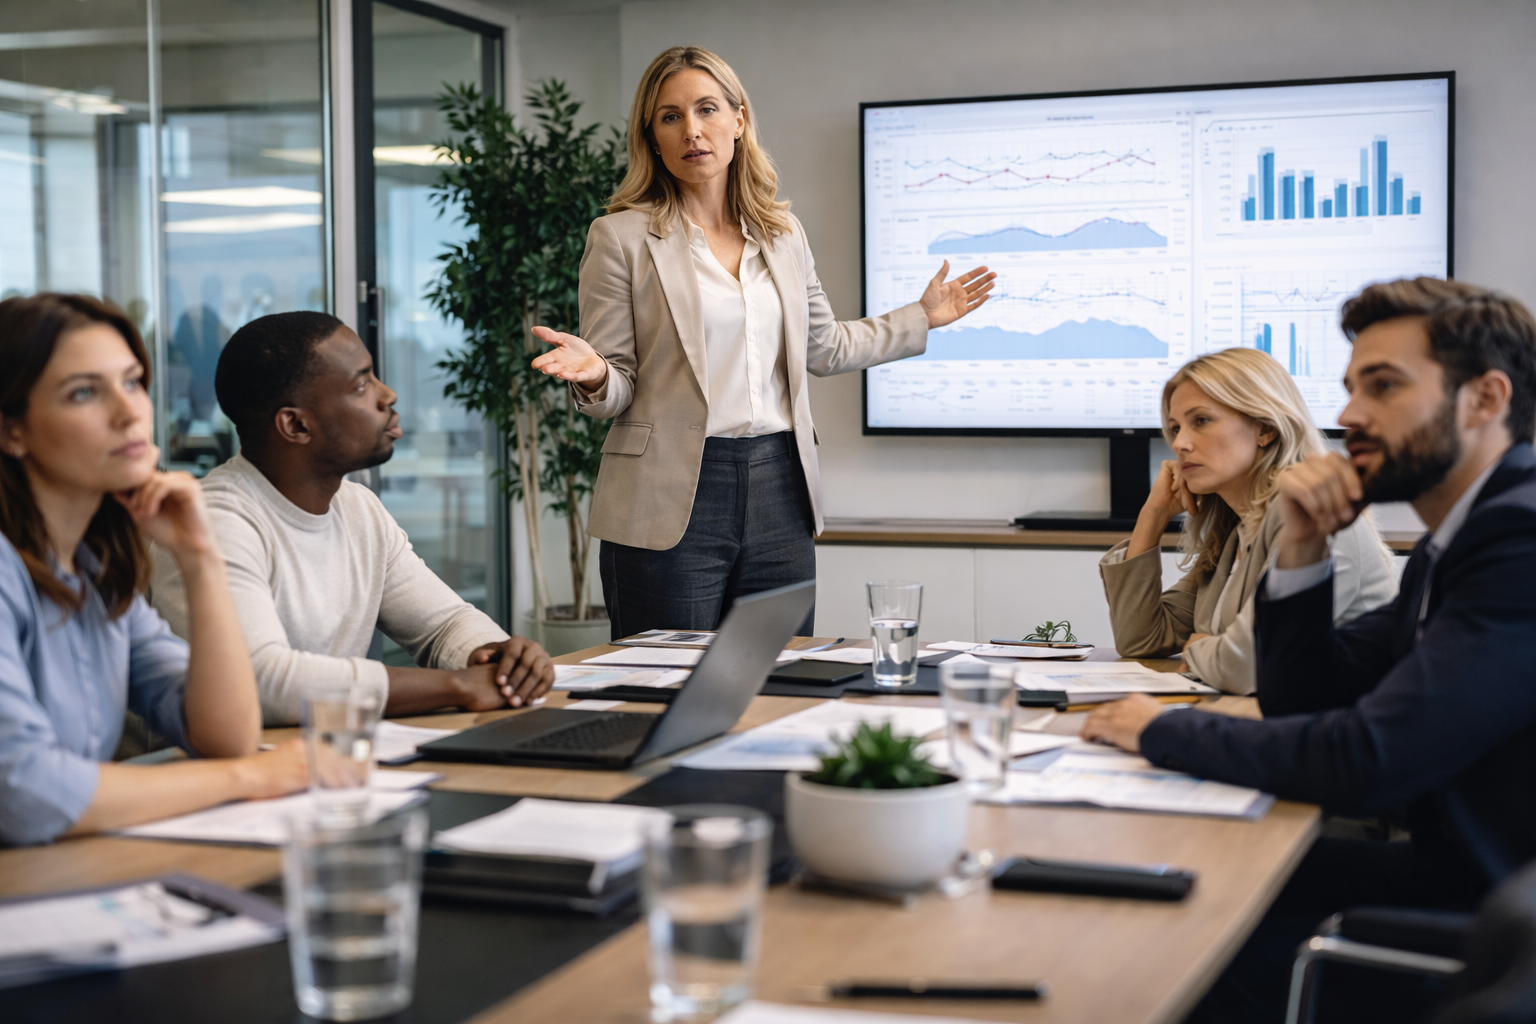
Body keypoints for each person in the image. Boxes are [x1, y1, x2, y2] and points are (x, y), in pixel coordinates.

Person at [1082, 278, 1536, 1022]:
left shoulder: (1515, 543)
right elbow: (1302, 694)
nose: (1348, 416)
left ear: (1485, 400)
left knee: (1165, 948)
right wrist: (1301, 545)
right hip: (1461, 871)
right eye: (1352, 388)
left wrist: (1160, 728)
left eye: (1383, 387)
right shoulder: (1449, 547)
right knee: (1166, 873)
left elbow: (1363, 762)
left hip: (1492, 919)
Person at [529, 46, 995, 638]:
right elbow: (617, 385)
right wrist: (596, 373)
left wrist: (921, 318)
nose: (692, 130)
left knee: (780, 680)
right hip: (669, 494)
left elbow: (823, 347)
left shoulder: (782, 234)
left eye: (707, 109)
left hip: (780, 485)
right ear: (651, 134)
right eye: (670, 116)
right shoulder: (620, 238)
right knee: (661, 686)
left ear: (739, 119)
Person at [0, 294, 307, 846]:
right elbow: (26, 793)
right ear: (11, 431)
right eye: (84, 392)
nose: (129, 413)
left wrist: (200, 557)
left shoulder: (92, 571)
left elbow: (227, 733)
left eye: (133, 381)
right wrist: (248, 777)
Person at [151, 311, 555, 726]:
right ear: (295, 424)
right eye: (362, 385)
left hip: (321, 760)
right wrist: (460, 686)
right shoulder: (214, 523)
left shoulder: (358, 508)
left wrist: (499, 659)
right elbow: (258, 681)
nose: (388, 395)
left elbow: (445, 625)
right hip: (199, 776)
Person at [1100, 347, 1398, 693]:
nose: (1179, 443)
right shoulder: (1233, 536)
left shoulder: (1316, 520)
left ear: (1265, 428)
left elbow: (1250, 665)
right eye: (1175, 427)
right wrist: (1151, 517)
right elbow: (1141, 639)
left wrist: (1199, 647)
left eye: (1202, 421)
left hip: (1342, 733)